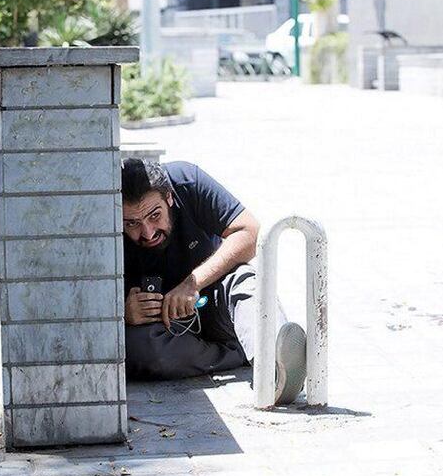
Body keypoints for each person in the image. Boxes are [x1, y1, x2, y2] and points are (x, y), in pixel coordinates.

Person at [121, 158, 306, 404]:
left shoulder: (187, 180)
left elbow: (249, 232)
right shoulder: (100, 217)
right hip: (162, 331)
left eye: (155, 216)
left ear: (169, 197)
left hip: (213, 303)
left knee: (247, 282)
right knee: (139, 349)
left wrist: (193, 283)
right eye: (131, 223)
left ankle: (276, 364)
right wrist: (121, 313)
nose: (148, 232)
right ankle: (240, 351)